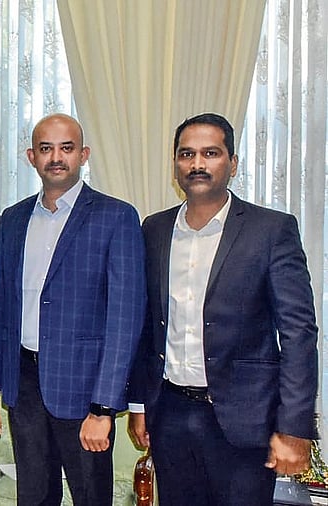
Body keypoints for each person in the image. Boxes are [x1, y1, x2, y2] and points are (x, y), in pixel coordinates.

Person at [127, 112, 318, 506]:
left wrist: (294, 427)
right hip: (171, 414)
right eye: (187, 154)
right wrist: (140, 404)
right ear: (175, 164)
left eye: (210, 153)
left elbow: (298, 332)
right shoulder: (155, 229)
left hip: (245, 420)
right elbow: (146, 325)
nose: (197, 164)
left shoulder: (271, 230)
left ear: (232, 163)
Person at [0, 113, 146, 505]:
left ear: (83, 154)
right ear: (31, 156)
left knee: (90, 496)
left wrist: (103, 408)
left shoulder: (115, 217)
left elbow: (125, 319)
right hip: (25, 384)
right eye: (45, 148)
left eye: (66, 148)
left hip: (84, 391)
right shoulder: (13, 219)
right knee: (33, 496)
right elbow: (1, 308)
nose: (56, 157)